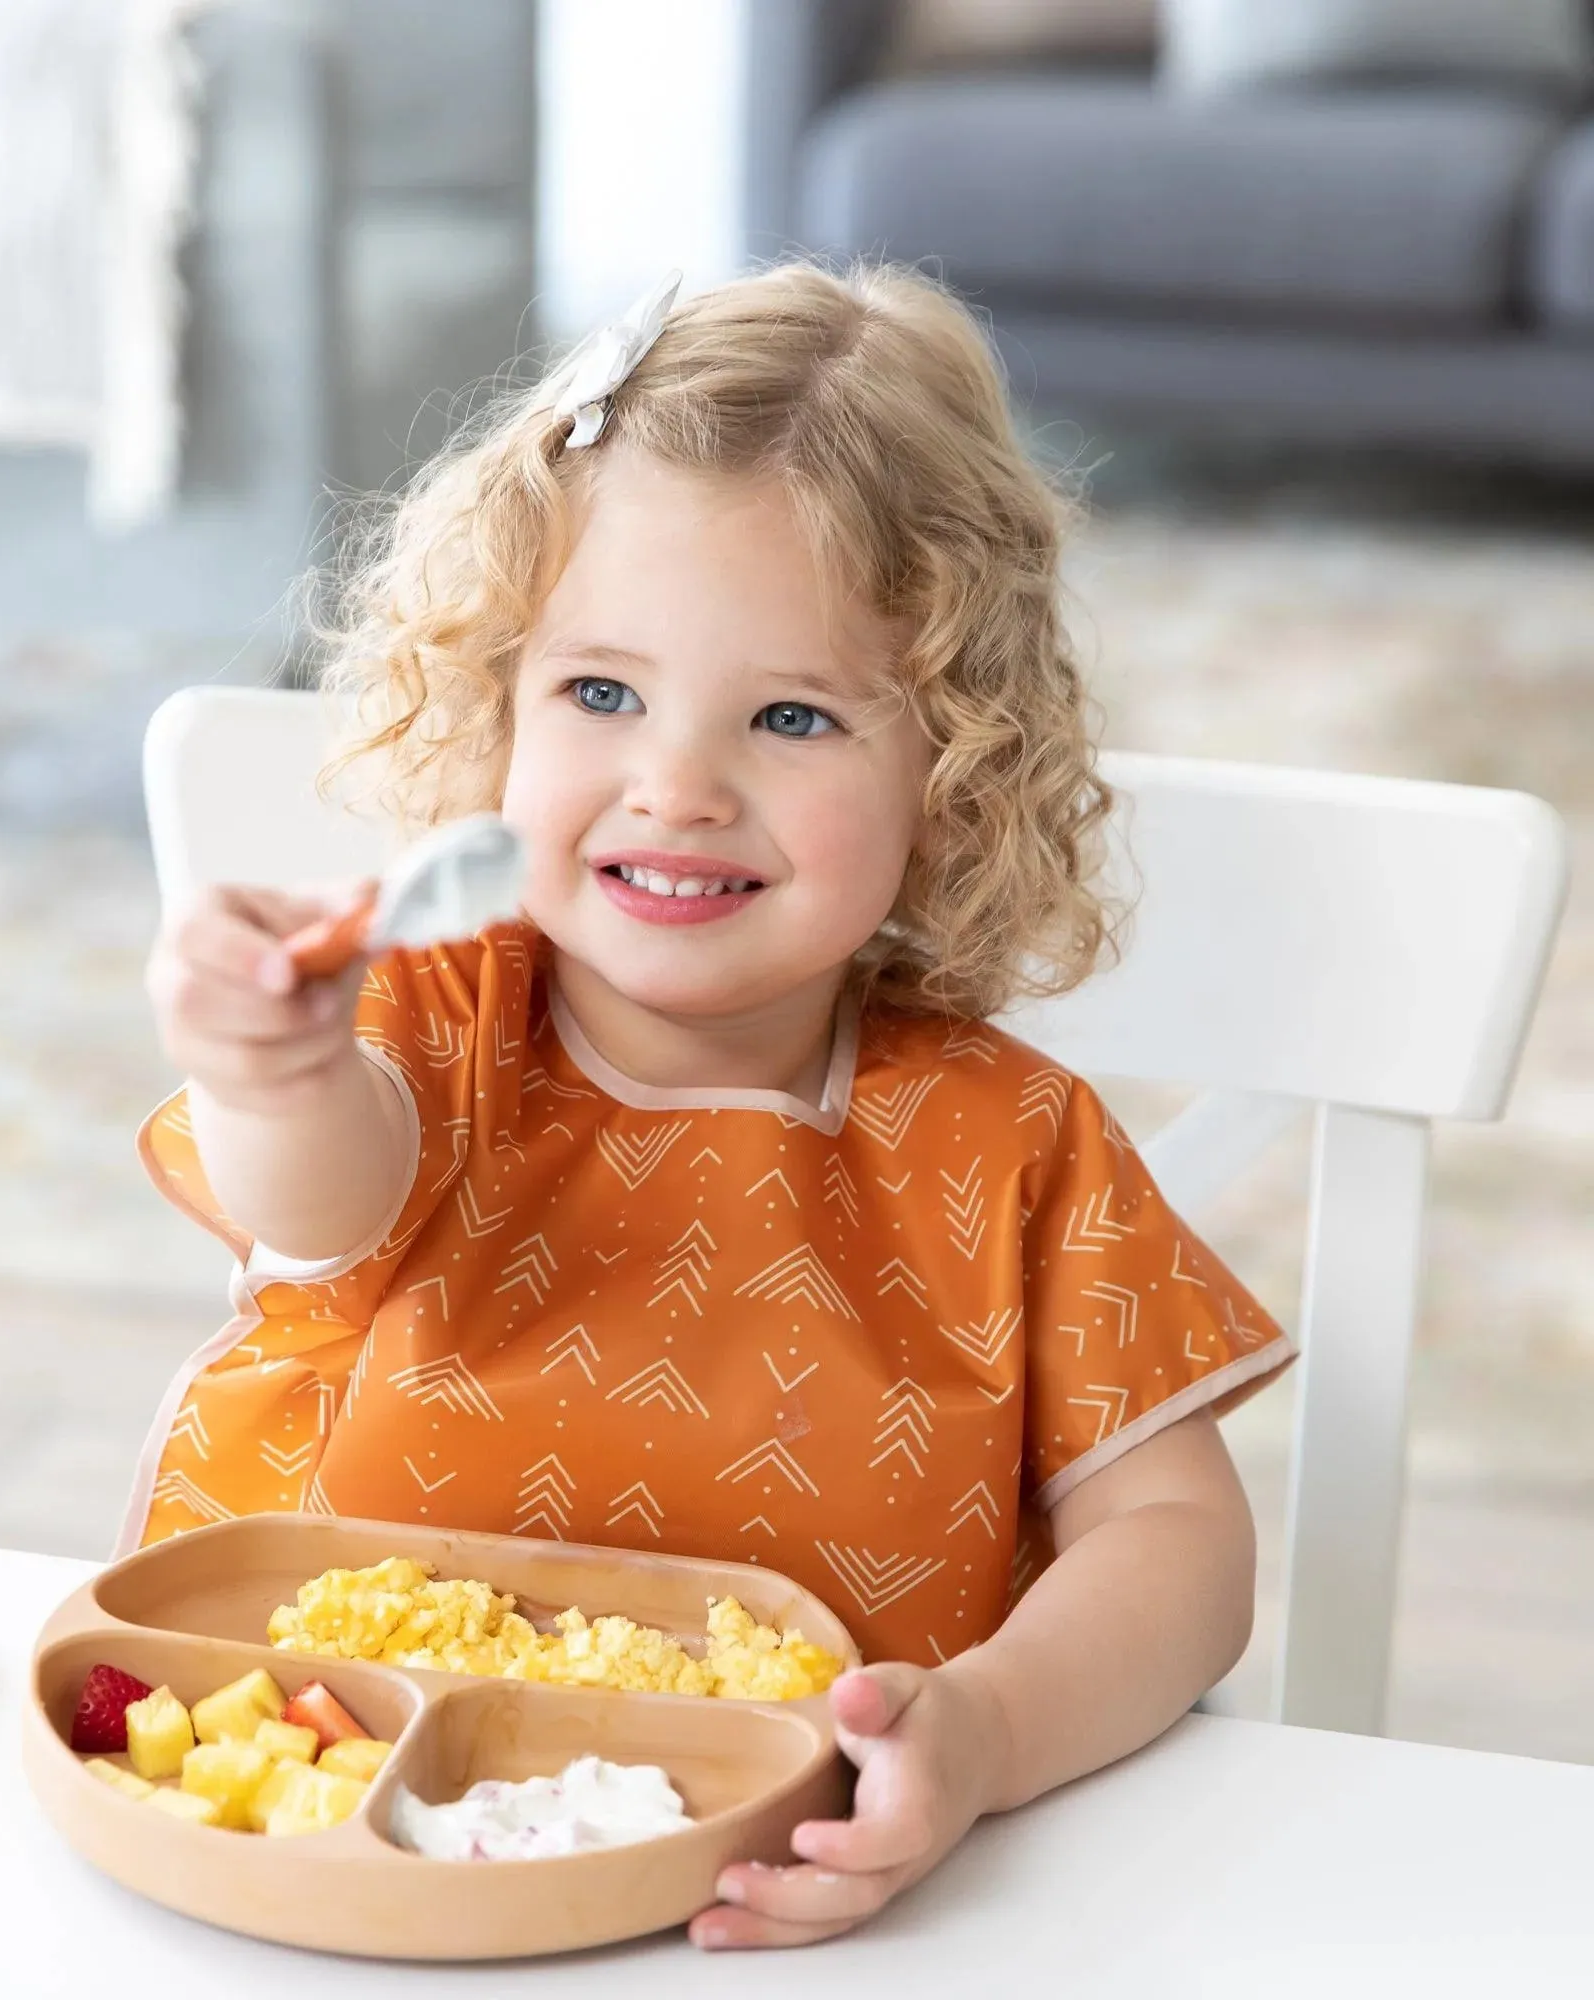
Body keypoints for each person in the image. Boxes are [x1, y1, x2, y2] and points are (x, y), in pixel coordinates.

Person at [136, 262, 1292, 1948]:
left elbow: (1180, 1544)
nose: (678, 785)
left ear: (952, 772)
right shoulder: (434, 1027)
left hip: (831, 1905)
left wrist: (986, 1736)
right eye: (601, 693)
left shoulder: (1011, 1144)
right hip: (337, 1863)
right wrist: (273, 1068)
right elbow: (318, 1197)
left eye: (795, 715)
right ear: (498, 703)